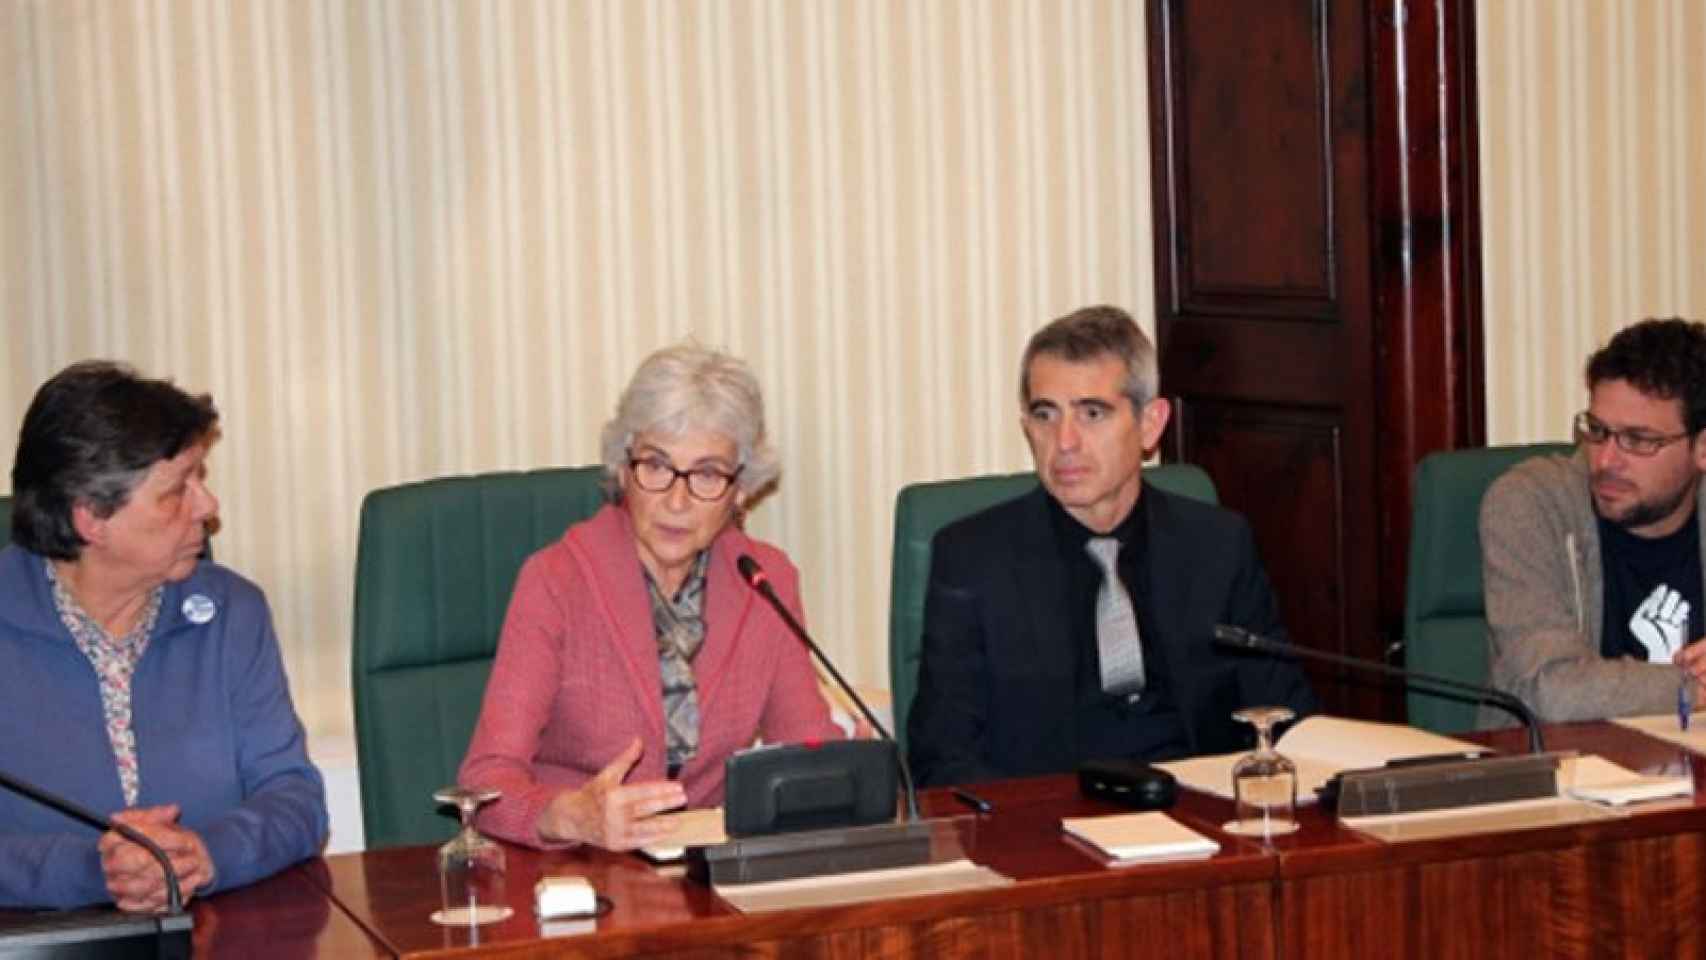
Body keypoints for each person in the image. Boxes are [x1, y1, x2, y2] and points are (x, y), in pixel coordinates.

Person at [906, 305, 1317, 787]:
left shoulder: (1217, 547)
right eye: (1045, 415)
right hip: (1052, 827)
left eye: (1092, 413)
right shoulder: (974, 559)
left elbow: (1286, 719)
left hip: (1200, 818)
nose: (1064, 441)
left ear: (1150, 423)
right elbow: (942, 756)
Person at [459, 343, 843, 851]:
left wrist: (850, 771)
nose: (677, 501)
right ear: (623, 470)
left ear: (741, 490)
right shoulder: (555, 581)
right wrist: (572, 817)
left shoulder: (764, 581)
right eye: (657, 466)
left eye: (707, 474)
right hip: (577, 875)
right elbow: (485, 781)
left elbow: (803, 747)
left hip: (710, 876)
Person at [0, 361, 327, 911]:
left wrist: (205, 854)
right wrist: (93, 870)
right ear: (91, 521)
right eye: (178, 489)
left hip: (217, 937)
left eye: (202, 478)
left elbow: (296, 800)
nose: (208, 506)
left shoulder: (232, 614)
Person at [1483, 317, 1706, 723]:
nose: (1604, 460)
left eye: (1638, 440)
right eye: (1598, 431)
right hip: (1561, 773)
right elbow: (1551, 690)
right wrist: (1690, 686)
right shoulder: (1530, 504)